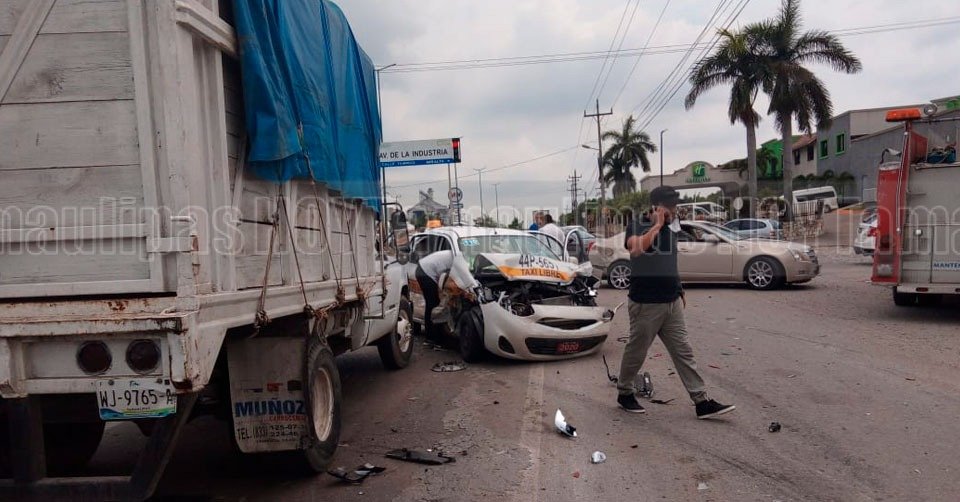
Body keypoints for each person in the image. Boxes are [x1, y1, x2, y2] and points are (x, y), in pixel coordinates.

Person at [616, 185, 736, 419]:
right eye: (671, 207)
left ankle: (701, 401)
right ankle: (624, 392)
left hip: (671, 303)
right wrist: (656, 225)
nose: (675, 210)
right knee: (637, 352)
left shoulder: (671, 229)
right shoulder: (639, 224)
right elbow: (636, 250)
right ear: (657, 207)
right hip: (646, 303)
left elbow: (669, 261)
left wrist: (678, 287)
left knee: (684, 352)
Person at [415, 250, 476, 335]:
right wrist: (473, 289)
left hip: (423, 268)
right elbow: (465, 276)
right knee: (433, 303)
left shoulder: (459, 255)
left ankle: (435, 331)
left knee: (433, 302)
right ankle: (432, 333)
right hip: (425, 271)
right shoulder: (459, 258)